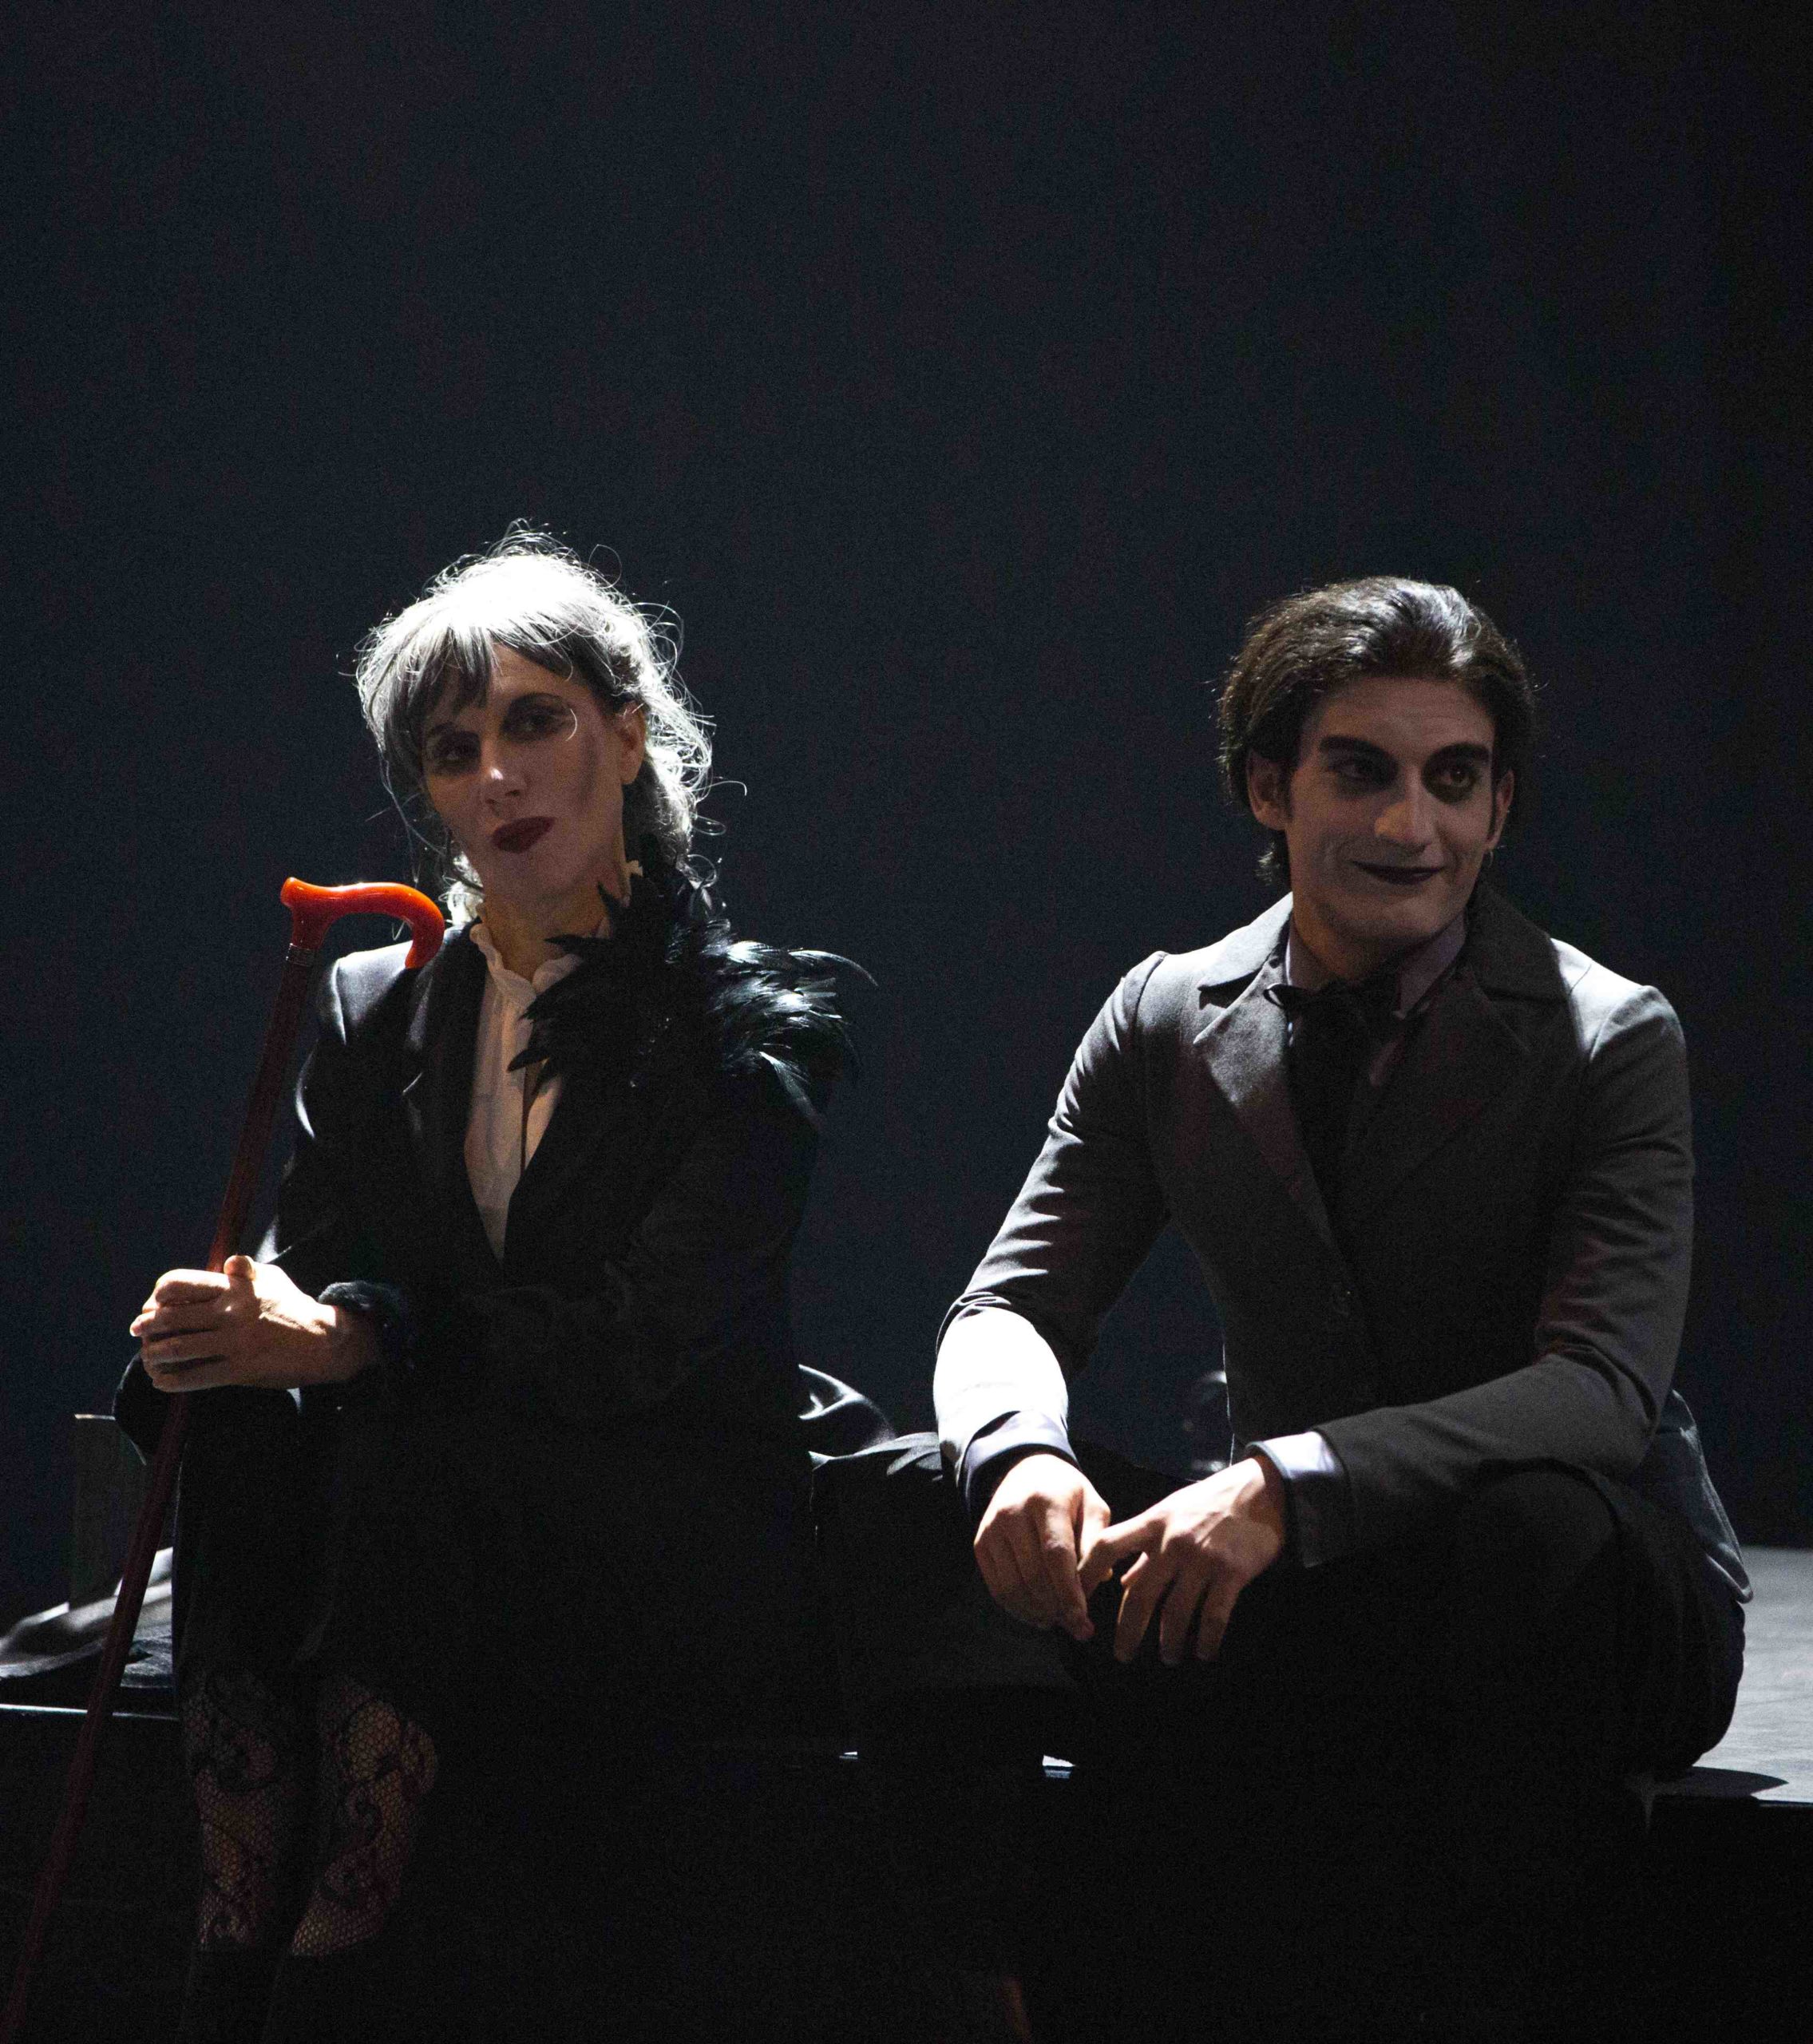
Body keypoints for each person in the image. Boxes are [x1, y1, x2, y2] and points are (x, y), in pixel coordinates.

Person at [926, 576, 1748, 2037]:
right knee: (948, 1500)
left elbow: (1599, 1392)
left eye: (1455, 780)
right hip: (1321, 1597)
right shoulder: (1166, 1012)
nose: (1410, 826)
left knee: (1531, 1529)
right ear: (1269, 786)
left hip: (1580, 1590)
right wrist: (1017, 1454)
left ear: (1501, 806)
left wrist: (1286, 1485)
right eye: (1361, 771)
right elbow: (1010, 1307)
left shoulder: (1611, 1036)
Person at [118, 534, 872, 2042]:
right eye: (454, 752)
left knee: (408, 1455)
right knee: (240, 1426)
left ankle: (342, 1945)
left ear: (628, 735)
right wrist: (230, 1329)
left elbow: (632, 1349)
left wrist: (356, 1336)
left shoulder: (749, 1030)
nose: (499, 778)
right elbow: (325, 1269)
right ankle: (236, 1926)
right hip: (424, 1504)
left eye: (537, 723)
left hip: (651, 1518)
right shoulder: (376, 999)